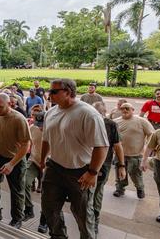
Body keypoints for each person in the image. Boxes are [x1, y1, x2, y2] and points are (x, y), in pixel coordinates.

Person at [39, 78, 109, 239]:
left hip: (80, 172)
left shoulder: (88, 114)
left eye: (54, 91)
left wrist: (92, 172)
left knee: (82, 214)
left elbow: (102, 146)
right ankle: (58, 236)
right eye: (50, 91)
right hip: (55, 168)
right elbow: (46, 140)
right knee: (49, 208)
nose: (50, 95)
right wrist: (43, 162)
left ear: (68, 92)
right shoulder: (51, 112)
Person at [0, 93, 31, 229]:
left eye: (1, 107)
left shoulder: (19, 119)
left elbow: (26, 145)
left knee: (17, 190)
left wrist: (11, 164)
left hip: (16, 158)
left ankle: (17, 219)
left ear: (10, 104)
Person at [91, 101, 126, 234]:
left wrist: (121, 166)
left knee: (97, 191)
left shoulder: (111, 125)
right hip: (85, 163)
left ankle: (95, 220)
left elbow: (118, 146)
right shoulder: (87, 121)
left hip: (103, 165)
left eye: (98, 113)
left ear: (104, 113)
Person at [113, 103, 154, 199]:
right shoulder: (115, 122)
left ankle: (140, 189)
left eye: (127, 108)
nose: (125, 110)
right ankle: (120, 189)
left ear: (133, 109)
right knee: (119, 173)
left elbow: (152, 135)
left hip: (136, 155)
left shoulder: (141, 121)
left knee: (136, 175)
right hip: (120, 155)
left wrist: (149, 148)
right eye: (122, 108)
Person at [24, 107, 48, 233]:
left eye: (42, 125)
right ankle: (28, 208)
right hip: (34, 161)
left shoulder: (54, 131)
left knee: (47, 194)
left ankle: (44, 221)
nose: (40, 127)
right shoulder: (33, 128)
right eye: (38, 124)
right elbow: (30, 144)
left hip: (49, 165)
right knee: (24, 182)